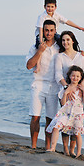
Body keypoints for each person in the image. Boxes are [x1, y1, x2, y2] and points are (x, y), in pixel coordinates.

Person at [26, 20, 60, 150]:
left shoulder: (59, 47)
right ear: (43, 31)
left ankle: (48, 148)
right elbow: (29, 66)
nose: (49, 33)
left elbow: (70, 56)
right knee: (35, 117)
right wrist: (40, 51)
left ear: (55, 31)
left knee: (50, 119)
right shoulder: (36, 46)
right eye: (46, 30)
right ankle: (33, 146)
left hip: (54, 87)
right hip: (38, 84)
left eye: (51, 30)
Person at [55, 30, 84, 155]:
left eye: (68, 40)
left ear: (72, 41)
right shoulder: (60, 56)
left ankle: (72, 149)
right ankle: (65, 148)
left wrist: (81, 86)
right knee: (65, 121)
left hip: (79, 94)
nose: (65, 42)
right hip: (65, 92)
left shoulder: (81, 56)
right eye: (63, 40)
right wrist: (66, 88)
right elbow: (58, 75)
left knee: (76, 123)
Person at [34, 0, 84, 73]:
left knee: (63, 41)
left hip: (54, 34)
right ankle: (38, 66)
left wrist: (78, 27)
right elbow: (41, 29)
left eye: (52, 7)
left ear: (55, 7)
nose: (50, 9)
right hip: (42, 34)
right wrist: (41, 41)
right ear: (44, 7)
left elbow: (67, 21)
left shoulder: (57, 15)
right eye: (48, 6)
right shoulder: (42, 17)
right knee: (39, 47)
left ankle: (74, 52)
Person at [46, 65, 84, 158]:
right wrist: (66, 92)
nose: (75, 78)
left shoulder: (81, 89)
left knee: (77, 133)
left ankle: (78, 153)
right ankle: (53, 147)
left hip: (77, 115)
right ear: (69, 76)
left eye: (77, 76)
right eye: (73, 75)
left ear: (81, 78)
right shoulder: (65, 88)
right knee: (56, 127)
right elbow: (63, 103)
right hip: (66, 113)